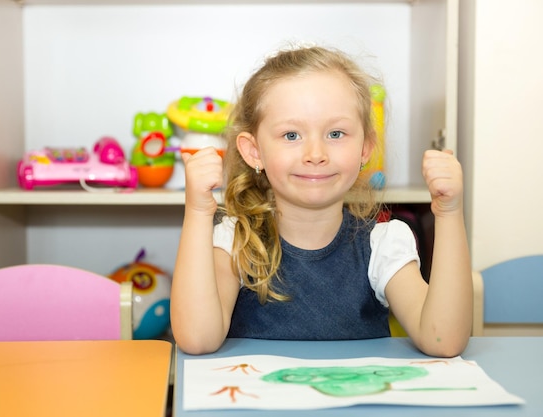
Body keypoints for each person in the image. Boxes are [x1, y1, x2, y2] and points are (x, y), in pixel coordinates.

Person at [170, 45, 472, 358]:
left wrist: (449, 214)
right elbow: (197, 339)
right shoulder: (235, 241)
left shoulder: (383, 244)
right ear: (253, 151)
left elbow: (443, 341)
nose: (316, 155)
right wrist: (197, 212)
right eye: (291, 135)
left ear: (365, 148)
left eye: (336, 134)